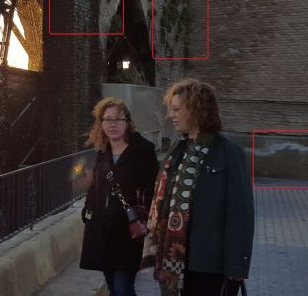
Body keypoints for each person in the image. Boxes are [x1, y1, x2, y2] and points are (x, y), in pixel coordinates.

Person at [142, 78, 254, 296]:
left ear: (197, 109)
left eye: (177, 109)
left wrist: (236, 266)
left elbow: (240, 214)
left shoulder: (229, 153)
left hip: (208, 263)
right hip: (173, 260)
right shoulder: (177, 149)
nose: (170, 115)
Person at [80, 97, 159, 296]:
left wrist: (152, 222)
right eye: (107, 119)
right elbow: (95, 186)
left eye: (118, 119)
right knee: (113, 287)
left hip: (128, 229)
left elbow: (152, 189)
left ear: (127, 122)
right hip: (103, 229)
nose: (112, 124)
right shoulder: (103, 151)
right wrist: (88, 211)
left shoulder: (143, 151)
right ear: (101, 123)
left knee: (123, 287)